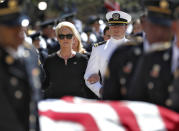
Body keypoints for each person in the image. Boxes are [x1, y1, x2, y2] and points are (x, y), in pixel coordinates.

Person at [0, 0, 41, 130]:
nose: (19, 30)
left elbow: (34, 105)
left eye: (19, 24)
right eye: (11, 26)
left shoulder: (30, 54)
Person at [127, 0, 175, 109]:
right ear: (144, 24)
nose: (159, 32)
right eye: (154, 26)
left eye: (164, 27)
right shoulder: (125, 54)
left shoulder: (174, 56)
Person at [84, 10, 131, 97]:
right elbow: (88, 77)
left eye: (119, 25)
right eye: (113, 25)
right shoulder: (98, 49)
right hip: (108, 98)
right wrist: (100, 90)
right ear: (109, 28)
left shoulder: (134, 48)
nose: (116, 28)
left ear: (126, 27)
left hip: (130, 98)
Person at [43, 21, 96, 99]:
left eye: (69, 36)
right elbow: (44, 85)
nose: (65, 39)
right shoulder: (49, 60)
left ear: (74, 38)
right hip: (56, 105)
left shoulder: (83, 59)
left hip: (78, 104)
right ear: (57, 38)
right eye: (61, 36)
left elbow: (88, 86)